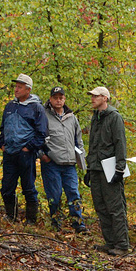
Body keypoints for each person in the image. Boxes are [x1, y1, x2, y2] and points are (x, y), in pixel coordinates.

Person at [85, 86, 129, 256]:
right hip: (96, 168)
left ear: (105, 98)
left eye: (96, 96)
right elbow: (93, 144)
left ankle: (122, 244)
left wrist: (120, 168)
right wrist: (89, 168)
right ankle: (110, 242)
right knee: (100, 206)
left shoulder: (114, 117)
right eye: (92, 96)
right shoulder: (95, 118)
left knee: (115, 207)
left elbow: (120, 144)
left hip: (110, 168)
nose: (92, 99)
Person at [0, 74, 48, 224]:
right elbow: (3, 127)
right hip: (9, 153)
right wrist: (2, 143)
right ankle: (11, 216)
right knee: (7, 187)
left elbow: (42, 133)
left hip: (26, 155)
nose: (16, 89)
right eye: (16, 86)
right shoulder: (10, 106)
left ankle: (31, 220)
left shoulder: (36, 108)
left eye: (20, 87)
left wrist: (28, 148)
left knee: (28, 187)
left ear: (28, 89)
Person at [40, 86, 87, 233]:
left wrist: (82, 161)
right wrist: (42, 155)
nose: (58, 100)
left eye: (61, 97)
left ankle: (78, 223)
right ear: (50, 99)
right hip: (52, 163)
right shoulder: (44, 115)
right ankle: (55, 222)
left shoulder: (71, 117)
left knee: (74, 193)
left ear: (64, 99)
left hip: (69, 164)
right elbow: (37, 137)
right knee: (54, 194)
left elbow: (78, 140)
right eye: (55, 97)